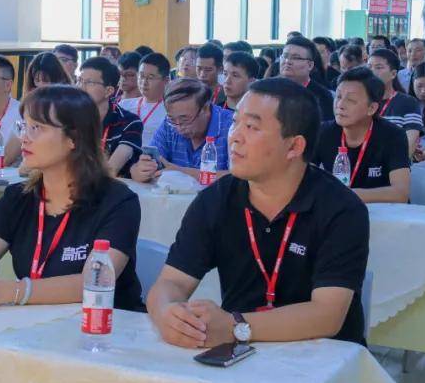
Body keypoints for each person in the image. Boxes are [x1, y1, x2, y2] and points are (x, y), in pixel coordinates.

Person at [147, 78, 369, 348]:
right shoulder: (216, 199)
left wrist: (236, 326)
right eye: (235, 123)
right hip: (239, 352)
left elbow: (326, 315)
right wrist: (167, 314)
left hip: (323, 357)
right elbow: (172, 282)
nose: (234, 137)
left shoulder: (341, 209)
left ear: (294, 147)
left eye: (251, 127)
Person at [0, 85, 144, 312]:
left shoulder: (118, 201)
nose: (24, 138)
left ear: (74, 138)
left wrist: (4, 291)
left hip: (103, 328)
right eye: (23, 126)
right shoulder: (18, 197)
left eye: (37, 128)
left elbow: (92, 282)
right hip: (33, 326)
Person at [314, 67, 410, 204]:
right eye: (339, 97)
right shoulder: (322, 132)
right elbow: (301, 178)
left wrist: (347, 195)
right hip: (338, 212)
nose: (340, 105)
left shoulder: (393, 135)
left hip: (384, 214)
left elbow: (400, 193)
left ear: (372, 108)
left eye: (351, 100)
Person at [130, 79, 232, 184]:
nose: (179, 128)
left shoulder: (231, 127)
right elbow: (139, 168)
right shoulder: (169, 124)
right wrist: (140, 171)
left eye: (185, 120)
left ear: (205, 109)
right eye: (172, 119)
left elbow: (239, 178)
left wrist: (180, 173)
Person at [76, 57, 143, 178]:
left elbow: (111, 169)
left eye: (89, 82)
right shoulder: (69, 118)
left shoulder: (129, 122)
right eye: (80, 80)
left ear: (108, 91)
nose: (81, 87)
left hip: (111, 188)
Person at [367, 48, 423, 157]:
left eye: (378, 67)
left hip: (394, 168)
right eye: (369, 67)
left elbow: (408, 146)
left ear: (393, 74)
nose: (372, 72)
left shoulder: (408, 103)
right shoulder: (362, 101)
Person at [118, 52, 170, 147]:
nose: (144, 82)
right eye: (141, 76)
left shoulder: (170, 111)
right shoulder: (123, 105)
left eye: (150, 77)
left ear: (166, 81)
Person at [278, 36, 336, 119]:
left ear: (310, 65)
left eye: (296, 58)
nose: (287, 61)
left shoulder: (322, 96)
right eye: (285, 56)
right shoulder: (269, 88)